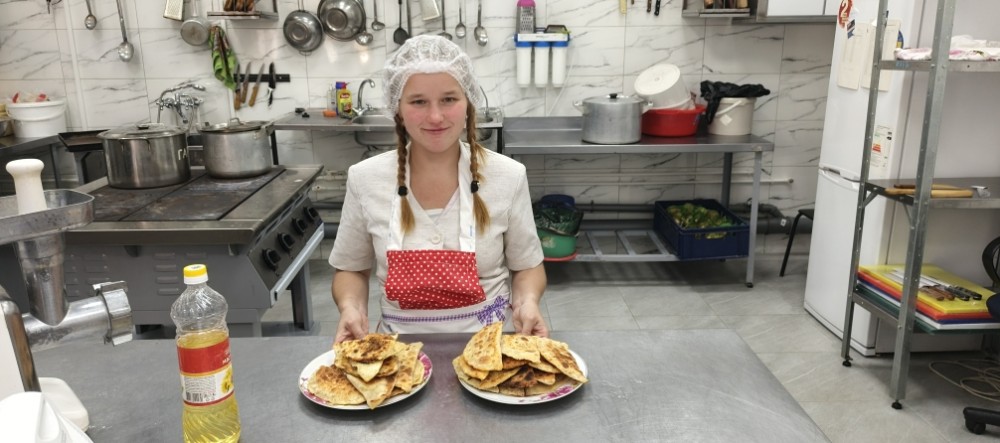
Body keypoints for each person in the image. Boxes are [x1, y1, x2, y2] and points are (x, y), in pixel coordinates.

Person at [329, 35, 547, 342]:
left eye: (449, 99)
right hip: (396, 353)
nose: (435, 116)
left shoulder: (508, 176)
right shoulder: (365, 179)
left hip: (491, 348)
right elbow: (351, 269)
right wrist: (351, 307)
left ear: (468, 102)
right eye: (418, 101)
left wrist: (528, 302)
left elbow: (527, 267)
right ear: (397, 108)